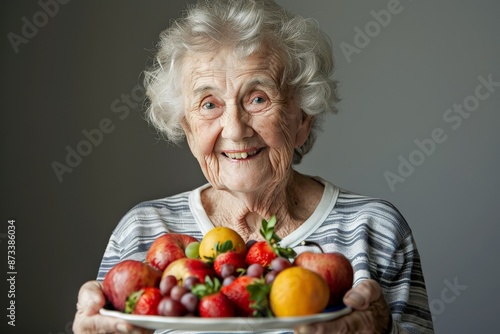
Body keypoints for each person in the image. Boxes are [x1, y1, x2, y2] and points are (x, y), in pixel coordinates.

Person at [73, 0, 434, 333]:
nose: (234, 129)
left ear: (302, 118)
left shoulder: (375, 231)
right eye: (209, 104)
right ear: (187, 128)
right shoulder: (142, 231)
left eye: (258, 98)